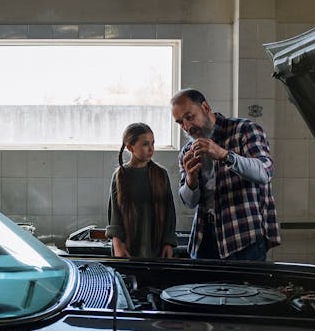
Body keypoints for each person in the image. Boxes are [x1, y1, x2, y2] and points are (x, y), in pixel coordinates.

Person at [172, 88, 279, 260]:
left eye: (190, 117)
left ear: (205, 107)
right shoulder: (187, 150)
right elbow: (189, 202)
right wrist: (191, 182)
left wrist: (224, 155)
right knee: (199, 288)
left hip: (243, 236)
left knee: (245, 287)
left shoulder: (244, 130)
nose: (187, 127)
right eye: (180, 122)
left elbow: (265, 172)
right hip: (204, 237)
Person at [106, 123, 177, 258]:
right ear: (130, 147)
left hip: (157, 250)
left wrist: (169, 243)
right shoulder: (120, 176)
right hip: (127, 249)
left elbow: (170, 213)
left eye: (152, 143)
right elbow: (114, 215)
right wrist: (117, 244)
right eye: (145, 144)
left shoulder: (161, 174)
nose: (151, 149)